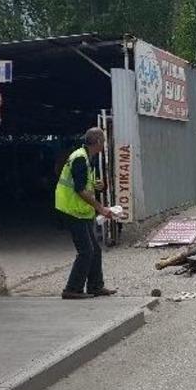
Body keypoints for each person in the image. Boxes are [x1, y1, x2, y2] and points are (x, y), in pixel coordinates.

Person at [55, 127, 116, 300]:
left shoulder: (86, 157)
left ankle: (96, 286)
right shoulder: (80, 158)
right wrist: (101, 208)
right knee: (86, 251)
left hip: (81, 210)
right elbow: (80, 190)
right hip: (72, 209)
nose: (104, 144)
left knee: (95, 250)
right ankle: (71, 289)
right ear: (97, 142)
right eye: (103, 141)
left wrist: (98, 186)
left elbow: (85, 184)